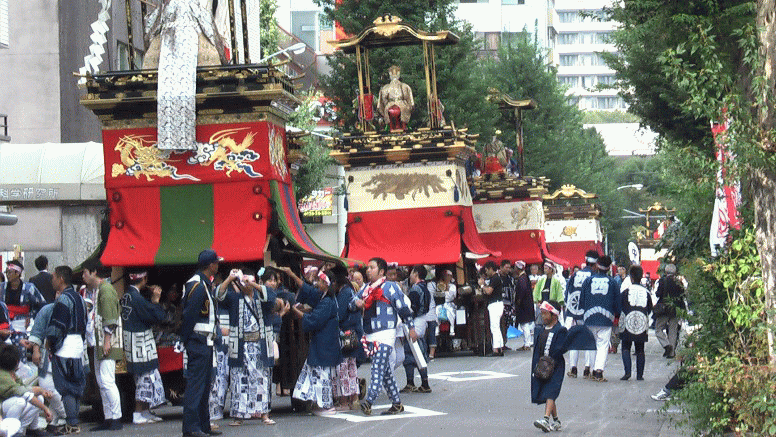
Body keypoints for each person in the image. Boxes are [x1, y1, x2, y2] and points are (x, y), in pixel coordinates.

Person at [221, 268, 282, 425]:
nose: (246, 285)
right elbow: (218, 295)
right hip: (241, 346)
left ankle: (264, 414)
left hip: (259, 346)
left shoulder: (262, 297)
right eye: (244, 282)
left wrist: (253, 284)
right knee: (239, 381)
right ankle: (239, 416)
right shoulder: (235, 298)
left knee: (261, 379)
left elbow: (272, 297)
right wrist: (229, 279)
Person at [357, 257, 416, 416]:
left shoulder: (390, 287)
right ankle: (396, 403)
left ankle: (369, 401)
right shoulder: (365, 289)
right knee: (385, 372)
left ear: (381, 271)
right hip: (370, 334)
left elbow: (403, 308)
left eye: (372, 267)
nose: (368, 270)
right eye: (368, 267)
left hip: (386, 333)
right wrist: (355, 304)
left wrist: (411, 327)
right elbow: (351, 303)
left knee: (377, 367)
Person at [530, 301, 595, 433]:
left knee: (550, 391)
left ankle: (545, 419)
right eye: (542, 314)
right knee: (548, 393)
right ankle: (557, 421)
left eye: (545, 314)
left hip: (556, 367)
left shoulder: (560, 330)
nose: (543, 316)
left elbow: (560, 348)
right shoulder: (541, 330)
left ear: (554, 315)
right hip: (542, 368)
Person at [180, 249, 223, 437]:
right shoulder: (198, 285)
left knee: (205, 386)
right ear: (209, 265)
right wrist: (186, 340)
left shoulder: (204, 284)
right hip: (198, 340)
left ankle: (203, 425)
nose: (218, 265)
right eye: (216, 262)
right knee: (196, 386)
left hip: (204, 340)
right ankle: (191, 427)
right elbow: (189, 316)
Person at [291, 270, 341, 415]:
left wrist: (296, 311)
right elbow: (310, 293)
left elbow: (314, 320)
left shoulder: (327, 302)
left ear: (325, 284)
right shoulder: (325, 297)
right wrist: (293, 276)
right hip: (324, 342)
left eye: (319, 281)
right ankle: (318, 403)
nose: (316, 283)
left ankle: (324, 406)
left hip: (324, 344)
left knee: (321, 375)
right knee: (315, 373)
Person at [120, 272, 167, 424]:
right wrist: (156, 300)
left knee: (146, 377)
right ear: (144, 279)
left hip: (134, 341)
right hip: (140, 342)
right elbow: (157, 316)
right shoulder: (137, 298)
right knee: (144, 379)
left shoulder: (127, 296)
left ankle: (145, 411)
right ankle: (138, 413)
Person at [81, 260, 124, 431]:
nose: (83, 275)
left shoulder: (105, 290)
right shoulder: (101, 289)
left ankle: (116, 417)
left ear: (94, 272)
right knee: (102, 381)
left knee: (107, 381)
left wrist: (107, 340)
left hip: (107, 342)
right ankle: (109, 417)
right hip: (100, 341)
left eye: (85, 272)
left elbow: (110, 318)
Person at [46, 265, 88, 435]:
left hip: (65, 347)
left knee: (66, 387)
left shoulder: (63, 299)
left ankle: (72, 423)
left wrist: (51, 343)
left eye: (54, 277)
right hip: (77, 344)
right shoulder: (79, 298)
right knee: (75, 386)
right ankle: (73, 421)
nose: (52, 280)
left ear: (61, 279)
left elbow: (58, 327)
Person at [579, 255, 621, 382]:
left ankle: (589, 368)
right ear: (609, 268)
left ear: (597, 265)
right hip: (606, 318)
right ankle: (598, 371)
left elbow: (581, 301)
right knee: (602, 345)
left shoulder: (588, 281)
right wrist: (617, 315)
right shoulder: (613, 282)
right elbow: (617, 303)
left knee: (591, 344)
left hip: (589, 317)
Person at [28, 300, 67, 435]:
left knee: (63, 389)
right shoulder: (47, 310)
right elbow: (37, 330)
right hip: (47, 351)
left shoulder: (73, 307)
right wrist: (36, 349)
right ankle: (67, 414)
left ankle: (53, 422)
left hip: (67, 352)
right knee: (47, 387)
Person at [0, 344, 52, 436]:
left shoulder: (10, 373)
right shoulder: (3, 376)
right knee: (20, 401)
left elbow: (24, 388)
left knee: (39, 398)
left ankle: (30, 430)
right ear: (16, 361)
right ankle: (13, 433)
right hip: (2, 410)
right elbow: (25, 394)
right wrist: (45, 409)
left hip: (6, 407)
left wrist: (41, 391)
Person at [330, 266, 363, 411]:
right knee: (352, 369)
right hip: (354, 335)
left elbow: (340, 315)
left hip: (344, 336)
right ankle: (354, 398)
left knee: (342, 370)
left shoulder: (343, 293)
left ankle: (344, 401)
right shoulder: (351, 290)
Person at [565, 250, 598, 378]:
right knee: (590, 340)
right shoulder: (593, 276)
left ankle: (573, 368)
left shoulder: (575, 275)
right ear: (595, 264)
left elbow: (568, 293)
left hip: (573, 310)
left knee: (574, 339)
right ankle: (587, 368)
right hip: (587, 312)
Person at [1, 260, 46, 353]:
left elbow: (42, 305)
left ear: (18, 273)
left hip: (21, 324)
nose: (7, 275)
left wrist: (30, 316)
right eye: (6, 272)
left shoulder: (29, 288)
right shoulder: (1, 287)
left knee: (19, 353)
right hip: (4, 325)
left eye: (9, 272)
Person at [401, 266, 431, 394]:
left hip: (414, 323)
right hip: (423, 322)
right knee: (420, 353)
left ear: (416, 274)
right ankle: (424, 382)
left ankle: (411, 382)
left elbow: (411, 309)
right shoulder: (426, 288)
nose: (410, 276)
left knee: (409, 353)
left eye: (412, 273)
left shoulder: (415, 289)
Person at [619, 265, 652, 381]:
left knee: (625, 347)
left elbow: (620, 307)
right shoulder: (647, 292)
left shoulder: (625, 291)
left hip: (627, 321)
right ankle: (639, 375)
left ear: (631, 278)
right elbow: (649, 309)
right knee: (640, 349)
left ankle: (627, 372)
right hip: (641, 322)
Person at [655, 264, 685, 359]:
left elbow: (658, 294)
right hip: (675, 309)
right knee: (673, 330)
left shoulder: (663, 281)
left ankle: (666, 345)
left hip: (664, 309)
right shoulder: (679, 282)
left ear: (666, 271)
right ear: (675, 272)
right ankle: (671, 353)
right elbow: (682, 295)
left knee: (658, 328)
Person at [377, 65, 414, 131]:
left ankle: (391, 127)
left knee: (389, 109)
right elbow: (409, 100)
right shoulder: (405, 86)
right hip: (401, 105)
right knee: (404, 109)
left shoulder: (385, 88)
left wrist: (387, 105)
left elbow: (383, 100)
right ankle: (403, 126)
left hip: (390, 106)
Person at [479, 261, 505, 356]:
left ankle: (495, 349)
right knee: (496, 326)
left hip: (495, 304)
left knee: (494, 327)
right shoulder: (495, 278)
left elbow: (489, 291)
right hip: (496, 304)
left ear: (490, 268)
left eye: (486, 270)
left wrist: (482, 285)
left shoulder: (495, 278)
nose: (486, 272)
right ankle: (500, 347)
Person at [533, 262, 565, 327]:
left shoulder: (556, 281)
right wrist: (536, 301)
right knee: (542, 320)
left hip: (552, 304)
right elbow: (536, 291)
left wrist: (560, 303)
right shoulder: (541, 280)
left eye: (546, 268)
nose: (545, 270)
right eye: (544, 268)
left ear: (551, 269)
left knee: (552, 320)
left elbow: (559, 293)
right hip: (542, 303)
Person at [513, 261, 534, 351]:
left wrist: (518, 301)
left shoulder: (522, 279)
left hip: (524, 305)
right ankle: (527, 343)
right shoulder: (525, 278)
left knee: (524, 324)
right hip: (527, 304)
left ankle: (527, 343)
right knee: (525, 324)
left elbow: (522, 290)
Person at [498, 260, 515, 350]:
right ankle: (500, 343)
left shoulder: (510, 278)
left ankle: (504, 342)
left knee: (507, 324)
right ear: (501, 267)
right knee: (500, 324)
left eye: (509, 267)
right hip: (500, 304)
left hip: (509, 305)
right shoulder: (497, 278)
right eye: (506, 267)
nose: (508, 269)